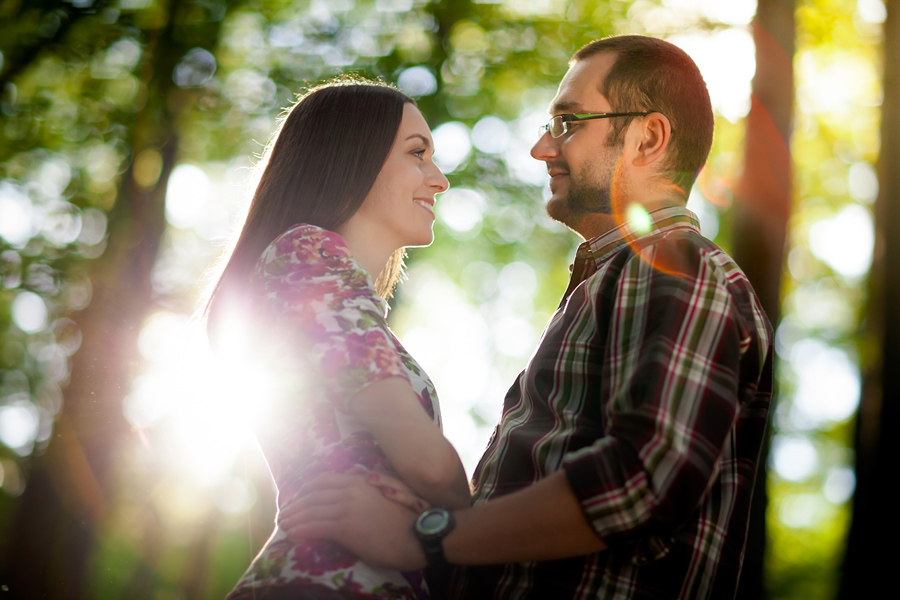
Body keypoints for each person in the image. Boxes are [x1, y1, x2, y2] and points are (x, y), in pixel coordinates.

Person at [277, 35, 775, 600]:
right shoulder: (609, 283)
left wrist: (428, 536)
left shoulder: (679, 268)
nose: (542, 147)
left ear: (648, 138)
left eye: (567, 122)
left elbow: (642, 479)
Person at [204, 77, 469, 600]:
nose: (438, 179)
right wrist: (452, 526)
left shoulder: (342, 298)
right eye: (418, 153)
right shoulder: (306, 254)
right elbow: (430, 464)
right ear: (352, 156)